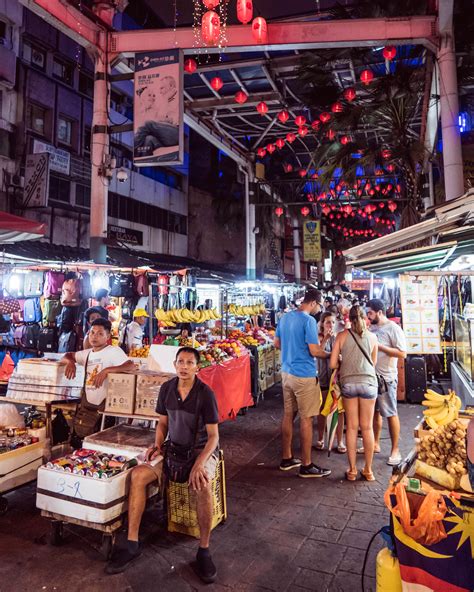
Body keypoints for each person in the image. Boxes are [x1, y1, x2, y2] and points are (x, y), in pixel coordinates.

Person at [106, 347, 220, 583]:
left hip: (200, 452)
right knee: (137, 475)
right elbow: (162, 424)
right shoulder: (167, 389)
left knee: (203, 485)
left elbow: (214, 437)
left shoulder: (205, 394)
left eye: (190, 362)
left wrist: (199, 465)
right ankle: (132, 542)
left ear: (197, 367)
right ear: (175, 364)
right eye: (181, 362)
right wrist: (158, 446)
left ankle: (204, 550)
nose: (184, 366)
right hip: (173, 451)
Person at [274, 289, 332, 478]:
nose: (319, 309)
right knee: (307, 419)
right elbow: (314, 351)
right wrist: (331, 355)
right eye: (319, 305)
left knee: (288, 414)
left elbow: (277, 344)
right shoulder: (309, 321)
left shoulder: (284, 317)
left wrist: (293, 349)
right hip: (304, 375)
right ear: (313, 303)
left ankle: (286, 458)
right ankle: (306, 465)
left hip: (287, 373)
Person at [61, 319, 135, 437]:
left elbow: (130, 365)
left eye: (100, 333)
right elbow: (67, 355)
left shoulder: (113, 351)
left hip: (105, 410)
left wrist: (107, 371)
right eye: (92, 332)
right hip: (88, 408)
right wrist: (70, 362)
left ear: (108, 336)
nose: (95, 336)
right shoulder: (87, 353)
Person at [330, 305, 378, 481]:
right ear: (365, 318)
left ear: (348, 318)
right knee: (367, 427)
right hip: (369, 383)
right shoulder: (373, 337)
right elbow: (373, 363)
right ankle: (368, 470)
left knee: (351, 427)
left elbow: (332, 364)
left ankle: (352, 471)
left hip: (349, 383)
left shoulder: (341, 336)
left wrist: (345, 360)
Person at [366, 298, 407, 466]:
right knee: (374, 413)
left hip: (387, 378)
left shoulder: (393, 329)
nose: (368, 316)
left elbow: (402, 353)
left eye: (370, 313)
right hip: (370, 377)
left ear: (379, 312)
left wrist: (379, 347)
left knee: (390, 413)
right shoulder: (372, 328)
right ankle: (375, 443)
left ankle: (395, 450)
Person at [315, 312, 346, 453]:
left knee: (339, 410)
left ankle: (339, 440)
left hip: (337, 379)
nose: (330, 325)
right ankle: (321, 438)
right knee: (322, 409)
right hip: (323, 377)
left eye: (333, 322)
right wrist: (326, 339)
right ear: (322, 323)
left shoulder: (339, 337)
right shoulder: (318, 337)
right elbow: (317, 352)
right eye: (328, 322)